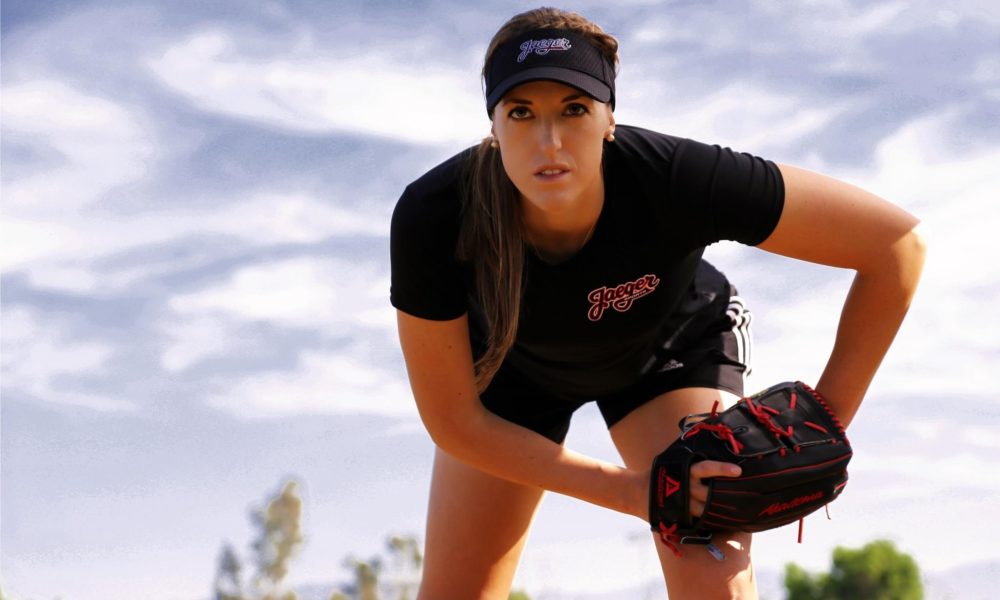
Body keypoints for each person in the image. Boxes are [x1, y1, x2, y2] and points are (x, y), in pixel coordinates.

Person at [390, 7, 926, 599]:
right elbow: (455, 421)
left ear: (609, 119)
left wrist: (823, 421)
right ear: (493, 125)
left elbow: (896, 247)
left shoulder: (675, 178)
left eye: (574, 109)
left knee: (711, 578)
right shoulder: (435, 216)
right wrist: (631, 491)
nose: (549, 141)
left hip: (668, 351)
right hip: (513, 375)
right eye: (521, 112)